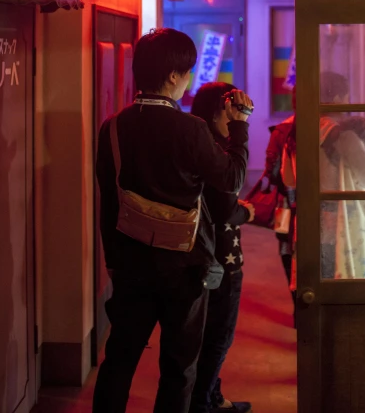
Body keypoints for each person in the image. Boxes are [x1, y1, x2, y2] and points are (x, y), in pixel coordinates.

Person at [93, 29, 253, 413]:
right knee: (179, 368)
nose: (187, 81)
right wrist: (240, 125)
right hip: (185, 266)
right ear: (171, 77)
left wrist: (113, 262)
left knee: (119, 359)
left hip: (131, 263)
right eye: (186, 73)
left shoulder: (114, 126)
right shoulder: (191, 130)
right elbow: (231, 179)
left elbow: (109, 202)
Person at [189, 82, 255, 413]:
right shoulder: (217, 147)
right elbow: (225, 206)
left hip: (196, 252)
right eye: (233, 106)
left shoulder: (192, 139)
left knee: (204, 333)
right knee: (218, 336)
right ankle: (204, 403)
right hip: (221, 256)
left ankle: (211, 396)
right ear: (221, 108)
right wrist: (247, 211)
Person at [319, 71, 365, 279]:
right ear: (338, 99)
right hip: (341, 227)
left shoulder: (301, 128)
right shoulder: (345, 137)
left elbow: (289, 179)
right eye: (347, 98)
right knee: (339, 291)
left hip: (308, 222)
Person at [262, 86, 296, 323]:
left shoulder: (282, 130)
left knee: (286, 249)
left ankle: (296, 303)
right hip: (319, 207)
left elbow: (271, 173)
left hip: (286, 204)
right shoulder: (328, 128)